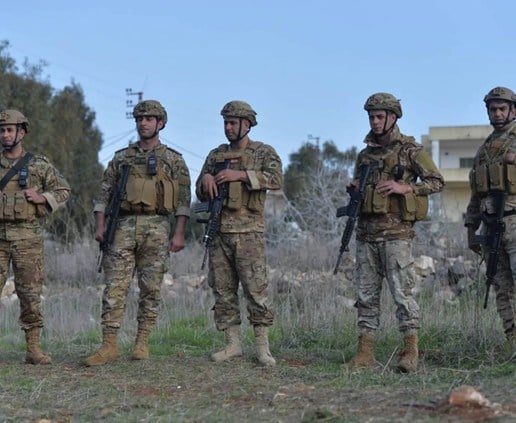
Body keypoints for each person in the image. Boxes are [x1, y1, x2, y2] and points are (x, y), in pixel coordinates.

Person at [85, 100, 191, 366]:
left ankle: (142, 342)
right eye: (139, 119)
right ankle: (109, 345)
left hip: (157, 227)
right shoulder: (122, 158)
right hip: (122, 226)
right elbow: (103, 195)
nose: (143, 123)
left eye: (149, 119)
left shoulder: (174, 160)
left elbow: (183, 202)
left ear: (160, 123)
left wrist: (179, 234)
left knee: (151, 288)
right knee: (114, 288)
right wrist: (100, 226)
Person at [346, 93, 444, 372]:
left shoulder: (410, 151)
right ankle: (365, 353)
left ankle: (410, 351)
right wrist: (355, 188)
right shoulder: (365, 155)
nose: (375, 122)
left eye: (380, 116)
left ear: (393, 117)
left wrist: (406, 187)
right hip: (366, 234)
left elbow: (437, 181)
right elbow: (360, 186)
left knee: (402, 293)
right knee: (365, 295)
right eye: (371, 117)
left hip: (397, 235)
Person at [196, 100, 283, 366]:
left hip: (249, 233)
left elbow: (276, 179)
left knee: (256, 289)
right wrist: (206, 180)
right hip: (219, 232)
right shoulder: (216, 155)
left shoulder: (263, 152)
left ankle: (262, 347)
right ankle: (232, 345)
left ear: (247, 125)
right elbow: (200, 189)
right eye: (226, 123)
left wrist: (241, 175)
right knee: (223, 290)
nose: (228, 128)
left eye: (233, 123)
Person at [0, 109, 70, 364]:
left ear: (22, 132)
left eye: (10, 130)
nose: (5, 135)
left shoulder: (38, 165)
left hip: (28, 238)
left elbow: (63, 190)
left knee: (30, 295)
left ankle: (33, 349)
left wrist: (43, 198)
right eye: (1, 130)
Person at [465, 86, 516, 347]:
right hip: (490, 226)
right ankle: (512, 339)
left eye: (502, 109)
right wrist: (470, 228)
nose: (497, 113)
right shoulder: (484, 150)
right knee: (501, 286)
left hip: (515, 220)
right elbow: (476, 193)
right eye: (493, 109)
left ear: (513, 111)